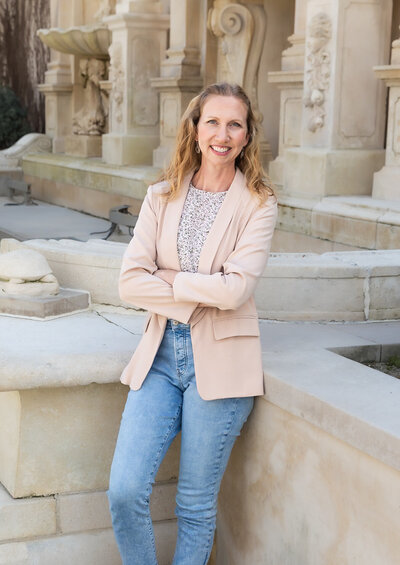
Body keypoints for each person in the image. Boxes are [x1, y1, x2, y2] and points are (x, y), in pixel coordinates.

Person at [107, 82, 278, 565]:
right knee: (123, 491)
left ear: (247, 136)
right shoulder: (161, 195)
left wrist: (169, 278)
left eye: (234, 124)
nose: (222, 134)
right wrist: (201, 286)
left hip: (222, 363)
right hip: (159, 355)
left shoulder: (259, 204)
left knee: (196, 506)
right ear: (195, 129)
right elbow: (128, 282)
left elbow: (236, 290)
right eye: (213, 122)